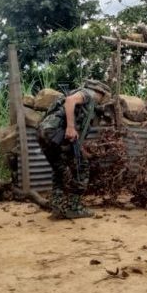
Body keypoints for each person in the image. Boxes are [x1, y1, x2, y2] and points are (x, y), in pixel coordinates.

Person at [37, 79, 111, 219]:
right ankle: (74, 207)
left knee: (59, 170)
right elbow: (70, 101)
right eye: (104, 96)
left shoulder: (83, 99)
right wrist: (70, 127)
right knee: (82, 168)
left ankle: (58, 207)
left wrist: (83, 151)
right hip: (54, 134)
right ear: (100, 92)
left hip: (44, 134)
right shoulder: (88, 94)